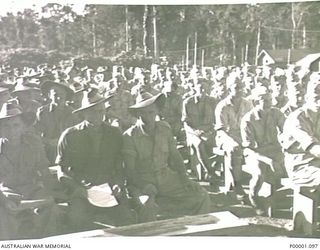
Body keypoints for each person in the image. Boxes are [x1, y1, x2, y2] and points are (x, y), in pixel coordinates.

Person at [55, 88, 137, 232]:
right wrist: (76, 188)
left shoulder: (114, 134)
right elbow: (61, 169)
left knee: (127, 220)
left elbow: (120, 165)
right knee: (77, 220)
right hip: (82, 190)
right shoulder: (70, 135)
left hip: (109, 189)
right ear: (84, 113)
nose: (99, 115)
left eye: (101, 111)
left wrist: (118, 183)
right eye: (93, 112)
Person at [122, 92, 211, 219]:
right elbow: (129, 171)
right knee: (147, 206)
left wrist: (185, 178)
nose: (148, 117)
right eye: (143, 113)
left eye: (151, 112)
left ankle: (197, 232)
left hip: (166, 178)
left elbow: (175, 157)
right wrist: (144, 186)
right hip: (142, 182)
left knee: (201, 195)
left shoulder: (164, 129)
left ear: (157, 112)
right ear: (137, 114)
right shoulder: (130, 136)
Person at [0, 99, 63, 239]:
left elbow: (44, 169)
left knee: (50, 209)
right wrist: (4, 199)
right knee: (3, 215)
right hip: (6, 192)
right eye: (6, 126)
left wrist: (49, 193)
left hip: (32, 189)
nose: (12, 130)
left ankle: (46, 244)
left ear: (23, 126)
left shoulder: (34, 143)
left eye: (16, 125)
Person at [240, 86, 287, 214]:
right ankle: (253, 197)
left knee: (289, 166)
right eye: (264, 100)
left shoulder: (276, 113)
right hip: (255, 153)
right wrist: (269, 160)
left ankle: (277, 197)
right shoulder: (248, 120)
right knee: (260, 173)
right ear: (255, 102)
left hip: (275, 150)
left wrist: (284, 148)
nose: (268, 103)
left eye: (270, 100)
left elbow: (287, 132)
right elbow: (249, 148)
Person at [215, 73, 253, 198]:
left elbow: (251, 123)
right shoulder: (222, 106)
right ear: (229, 88)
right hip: (226, 136)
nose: (240, 90)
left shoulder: (247, 104)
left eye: (241, 87)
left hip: (244, 134)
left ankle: (257, 184)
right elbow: (221, 130)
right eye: (237, 87)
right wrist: (232, 141)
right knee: (233, 148)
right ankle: (236, 184)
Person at [280, 76, 320, 187]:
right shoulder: (297, 118)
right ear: (306, 98)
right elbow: (314, 149)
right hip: (301, 165)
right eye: (316, 96)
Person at [35, 81, 77, 164]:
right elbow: (36, 133)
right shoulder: (43, 112)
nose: (59, 98)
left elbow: (77, 134)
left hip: (68, 149)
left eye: (61, 95)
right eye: (55, 95)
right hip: (48, 150)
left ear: (66, 95)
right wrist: (48, 141)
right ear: (49, 96)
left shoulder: (72, 113)